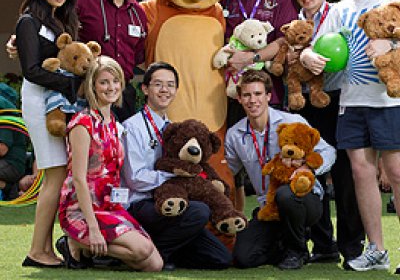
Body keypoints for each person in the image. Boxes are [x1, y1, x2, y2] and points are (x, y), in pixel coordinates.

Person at [300, 0, 400, 273]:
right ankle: (377, 250)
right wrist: (309, 57)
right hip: (352, 101)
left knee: (398, 173)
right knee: (360, 173)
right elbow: (311, 48)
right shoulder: (340, 9)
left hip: (390, 99)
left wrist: (391, 42)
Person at [7, 0, 146, 123]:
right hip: (86, 92)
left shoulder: (138, 12)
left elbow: (140, 57)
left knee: (122, 150)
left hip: (122, 95)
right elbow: (48, 20)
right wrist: (20, 39)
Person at [122, 61, 232, 270]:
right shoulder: (132, 127)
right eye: (158, 84)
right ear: (145, 88)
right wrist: (176, 176)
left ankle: (163, 248)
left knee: (220, 259)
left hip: (176, 204)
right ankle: (151, 255)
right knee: (198, 211)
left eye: (170, 85)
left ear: (176, 90)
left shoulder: (175, 129)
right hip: (142, 203)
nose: (165, 90)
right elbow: (134, 178)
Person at [57, 56, 162, 271]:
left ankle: (86, 249)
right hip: (81, 209)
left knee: (154, 264)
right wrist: (93, 229)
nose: (111, 87)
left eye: (115, 81)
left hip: (109, 205)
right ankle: (74, 241)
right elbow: (78, 178)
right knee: (141, 251)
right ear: (92, 86)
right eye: (104, 82)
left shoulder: (113, 122)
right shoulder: (82, 123)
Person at [291, 0, 365, 265]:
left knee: (345, 175)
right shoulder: (292, 21)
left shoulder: (339, 14)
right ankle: (322, 245)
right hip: (303, 105)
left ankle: (352, 246)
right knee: (312, 171)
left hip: (338, 100)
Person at [220, 0, 299, 210]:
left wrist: (251, 58)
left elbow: (283, 39)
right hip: (228, 92)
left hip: (268, 92)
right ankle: (236, 221)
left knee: (275, 158)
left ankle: (281, 222)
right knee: (232, 162)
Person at [225, 70, 336, 270]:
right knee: (244, 258)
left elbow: (328, 151)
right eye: (247, 95)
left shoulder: (292, 121)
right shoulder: (235, 134)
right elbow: (229, 172)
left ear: (268, 96)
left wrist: (308, 167)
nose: (253, 101)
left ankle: (298, 251)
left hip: (304, 199)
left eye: (258, 94)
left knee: (286, 195)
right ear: (239, 99)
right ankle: (284, 243)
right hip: (268, 207)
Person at [15, 0, 82, 268]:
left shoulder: (62, 22)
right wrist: (72, 83)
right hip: (38, 101)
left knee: (57, 174)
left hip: (59, 102)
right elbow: (31, 70)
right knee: (54, 173)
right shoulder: (28, 21)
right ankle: (36, 251)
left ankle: (43, 248)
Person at [0, 83, 28, 200]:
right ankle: (10, 189)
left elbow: (2, 150)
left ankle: (11, 189)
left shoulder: (6, 122)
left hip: (12, 165)